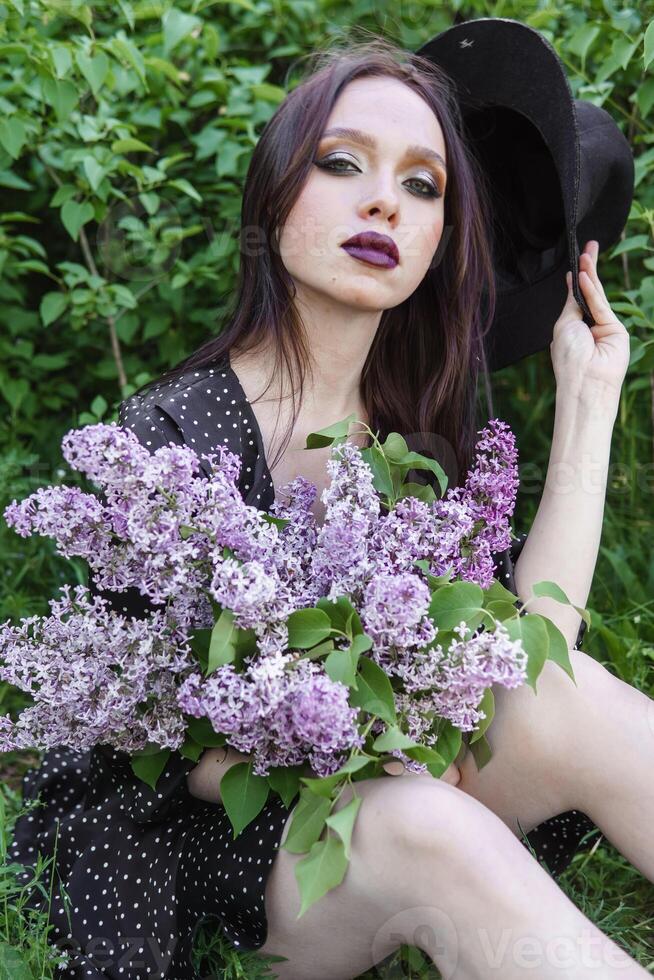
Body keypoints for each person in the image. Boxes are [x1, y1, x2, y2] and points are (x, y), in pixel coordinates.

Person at [9, 37, 651, 980]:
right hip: (206, 855)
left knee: (565, 693)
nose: (385, 201)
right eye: (342, 164)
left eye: (424, 185)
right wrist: (362, 756)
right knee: (422, 821)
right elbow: (163, 738)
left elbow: (524, 653)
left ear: (439, 242)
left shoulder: (422, 439)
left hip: (391, 793)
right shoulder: (176, 440)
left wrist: (588, 398)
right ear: (274, 198)